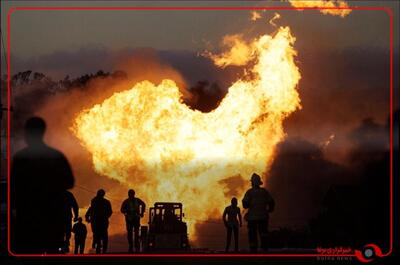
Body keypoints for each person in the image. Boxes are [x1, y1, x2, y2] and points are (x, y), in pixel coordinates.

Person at [11, 117, 74, 253]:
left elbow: (13, 188)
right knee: (52, 252)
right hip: (51, 215)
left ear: (27, 133)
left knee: (30, 253)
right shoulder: (56, 156)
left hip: (29, 217)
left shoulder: (20, 158)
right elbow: (69, 182)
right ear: (43, 132)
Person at [242, 173, 275, 253]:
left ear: (252, 183)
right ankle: (264, 248)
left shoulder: (249, 192)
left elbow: (245, 204)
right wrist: (269, 210)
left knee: (252, 234)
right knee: (263, 233)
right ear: (259, 182)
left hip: (252, 218)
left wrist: (250, 204)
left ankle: (253, 250)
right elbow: (271, 202)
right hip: (263, 217)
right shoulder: (264, 192)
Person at [85, 189, 112, 254]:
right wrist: (88, 217)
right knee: (99, 235)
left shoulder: (98, 201)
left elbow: (110, 212)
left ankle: (97, 245)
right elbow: (91, 209)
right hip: (98, 221)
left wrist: (88, 217)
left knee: (100, 235)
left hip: (100, 221)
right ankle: (98, 245)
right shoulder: (95, 201)